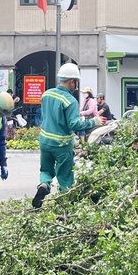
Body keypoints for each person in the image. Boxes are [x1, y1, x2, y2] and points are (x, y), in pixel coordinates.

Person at [32, 63, 105, 209]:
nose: (76, 86)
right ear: (72, 81)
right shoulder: (70, 101)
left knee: (46, 170)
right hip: (62, 145)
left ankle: (44, 184)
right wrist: (93, 121)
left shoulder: (47, 94)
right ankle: (64, 207)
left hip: (45, 141)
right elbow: (73, 124)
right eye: (76, 82)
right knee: (65, 176)